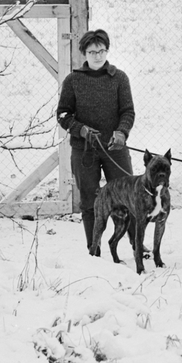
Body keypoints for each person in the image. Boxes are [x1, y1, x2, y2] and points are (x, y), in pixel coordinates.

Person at [56, 28, 136, 251]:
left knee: (126, 196)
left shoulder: (119, 78)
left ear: (107, 51)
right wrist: (81, 130)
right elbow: (63, 114)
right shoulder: (73, 81)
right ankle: (94, 247)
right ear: (84, 53)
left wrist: (121, 133)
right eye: (92, 52)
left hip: (115, 148)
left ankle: (136, 244)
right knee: (90, 201)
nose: (98, 56)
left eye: (101, 51)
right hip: (84, 151)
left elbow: (128, 111)